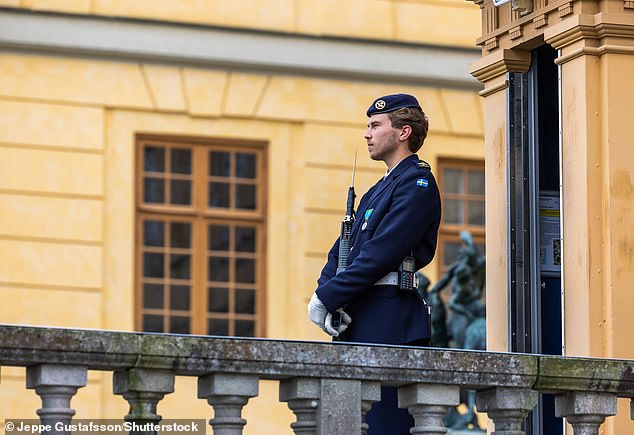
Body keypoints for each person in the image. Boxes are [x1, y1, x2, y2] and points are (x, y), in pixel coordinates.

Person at [307, 93, 442, 434]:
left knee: (384, 426)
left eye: (375, 125)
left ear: (403, 132)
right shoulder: (376, 191)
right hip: (359, 319)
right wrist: (327, 291)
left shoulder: (417, 183)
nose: (367, 133)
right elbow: (343, 250)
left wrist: (329, 297)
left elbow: (383, 251)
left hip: (389, 321)